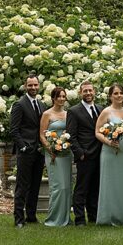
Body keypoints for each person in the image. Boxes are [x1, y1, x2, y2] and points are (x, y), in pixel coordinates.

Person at [94, 83, 123, 226]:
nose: (119, 96)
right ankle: (109, 217)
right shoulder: (106, 112)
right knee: (110, 184)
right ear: (110, 96)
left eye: (121, 93)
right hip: (110, 154)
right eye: (116, 93)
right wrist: (109, 142)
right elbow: (97, 132)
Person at [10, 74, 44, 227]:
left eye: (35, 85)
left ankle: (31, 216)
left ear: (39, 86)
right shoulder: (19, 104)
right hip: (25, 151)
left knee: (35, 184)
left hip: (39, 151)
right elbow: (14, 130)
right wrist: (23, 146)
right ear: (25, 86)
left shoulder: (41, 105)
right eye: (30, 85)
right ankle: (18, 219)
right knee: (22, 185)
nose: (33, 88)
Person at [66, 80, 102, 226]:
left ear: (94, 92)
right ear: (81, 93)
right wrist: (80, 153)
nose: (88, 93)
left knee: (95, 187)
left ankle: (93, 216)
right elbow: (71, 135)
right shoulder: (74, 111)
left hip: (100, 154)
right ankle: (80, 218)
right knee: (82, 188)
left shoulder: (100, 109)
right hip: (85, 155)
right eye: (85, 91)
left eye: (90, 90)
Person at [39, 86, 73, 227]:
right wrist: (50, 148)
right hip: (53, 154)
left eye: (63, 96)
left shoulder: (68, 114)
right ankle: (54, 218)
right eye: (58, 96)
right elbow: (42, 134)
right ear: (53, 98)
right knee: (58, 186)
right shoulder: (47, 114)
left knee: (67, 186)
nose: (61, 99)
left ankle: (65, 218)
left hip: (66, 153)